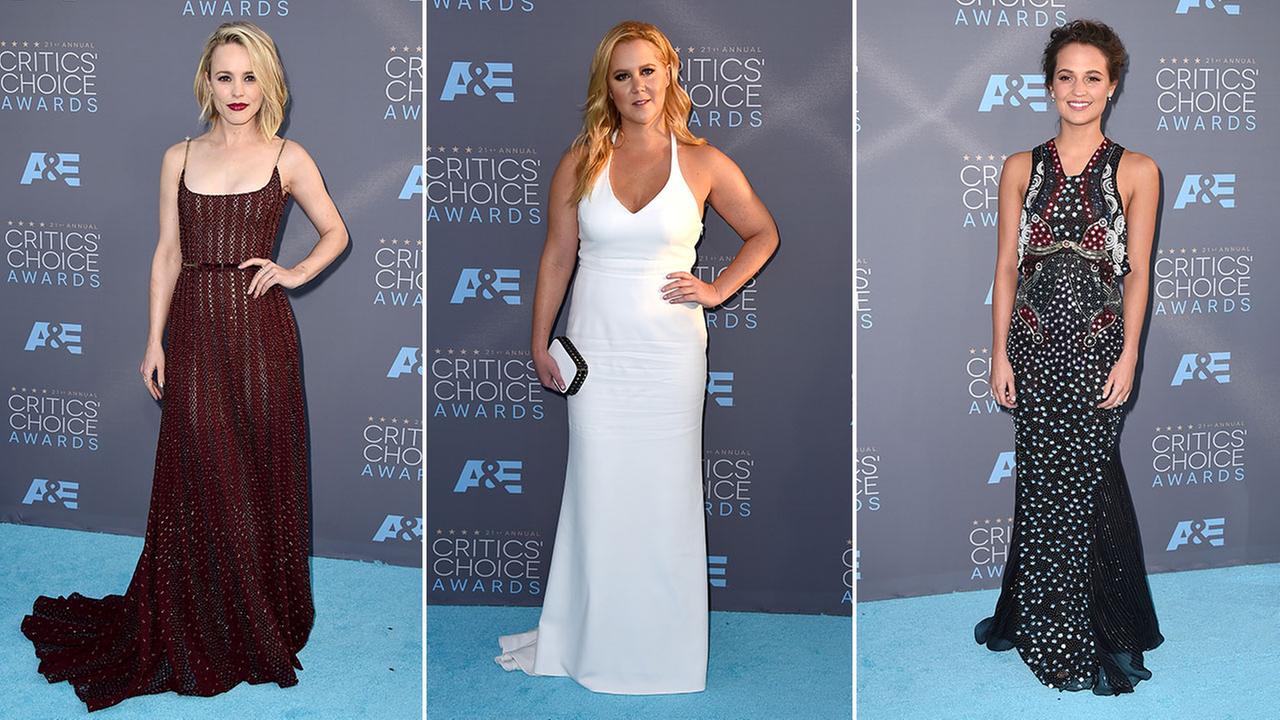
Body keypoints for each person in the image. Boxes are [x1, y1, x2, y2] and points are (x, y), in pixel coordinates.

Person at [20, 21, 348, 712]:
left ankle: (261, 613)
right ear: (207, 81)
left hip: (262, 339)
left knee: (260, 472)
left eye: (249, 76)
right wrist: (153, 340)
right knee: (202, 474)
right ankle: (202, 613)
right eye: (225, 76)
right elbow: (167, 253)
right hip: (196, 331)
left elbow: (336, 231)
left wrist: (292, 272)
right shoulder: (179, 156)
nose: (237, 90)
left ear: (268, 82)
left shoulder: (289, 157)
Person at [493, 20, 779, 694]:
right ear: (607, 86)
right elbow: (558, 255)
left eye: (648, 71)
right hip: (595, 350)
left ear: (668, 75)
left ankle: (663, 650)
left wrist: (717, 289)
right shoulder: (580, 161)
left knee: (664, 495)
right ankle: (590, 637)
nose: (637, 85)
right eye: (623, 75)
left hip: (669, 354)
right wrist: (539, 340)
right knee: (598, 489)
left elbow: (763, 232)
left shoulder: (704, 162)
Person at [975, 19, 1163, 695]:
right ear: (1049, 84)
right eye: (1065, 76)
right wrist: (998, 354)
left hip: (1097, 352)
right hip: (1032, 346)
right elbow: (1003, 268)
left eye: (1092, 77)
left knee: (1083, 488)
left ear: (1112, 87)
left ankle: (1098, 630)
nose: (1078, 90)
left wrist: (1130, 355)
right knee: (1047, 487)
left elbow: (1137, 273)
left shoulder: (1138, 170)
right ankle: (1052, 621)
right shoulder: (1020, 167)